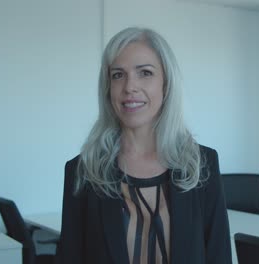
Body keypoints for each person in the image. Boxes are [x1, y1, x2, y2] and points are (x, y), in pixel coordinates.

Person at [55, 27, 232, 264]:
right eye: (118, 75)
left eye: (145, 73)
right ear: (108, 89)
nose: (130, 87)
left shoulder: (202, 165)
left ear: (166, 84)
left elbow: (218, 257)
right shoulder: (83, 171)